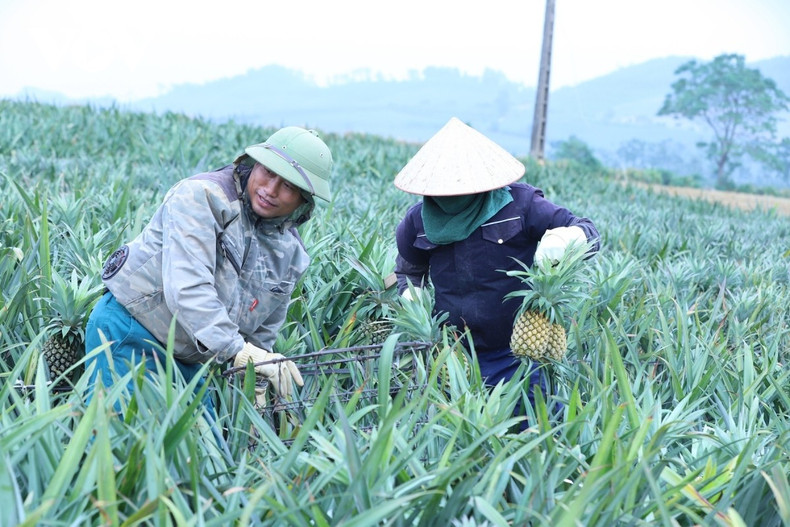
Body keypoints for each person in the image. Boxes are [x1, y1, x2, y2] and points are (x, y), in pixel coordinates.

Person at [84, 126, 334, 413]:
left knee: (203, 441)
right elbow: (188, 289)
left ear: (304, 200)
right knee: (123, 435)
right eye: (267, 172)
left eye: (289, 186)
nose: (271, 189)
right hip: (131, 332)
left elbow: (264, 330)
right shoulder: (200, 197)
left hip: (192, 359)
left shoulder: (291, 253)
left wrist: (254, 379)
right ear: (253, 164)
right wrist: (239, 351)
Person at [393, 117, 599, 419]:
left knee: (535, 428)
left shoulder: (520, 205)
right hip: (451, 353)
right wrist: (410, 293)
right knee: (457, 434)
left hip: (518, 351)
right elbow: (408, 270)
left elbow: (587, 229)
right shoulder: (417, 222)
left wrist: (571, 237)